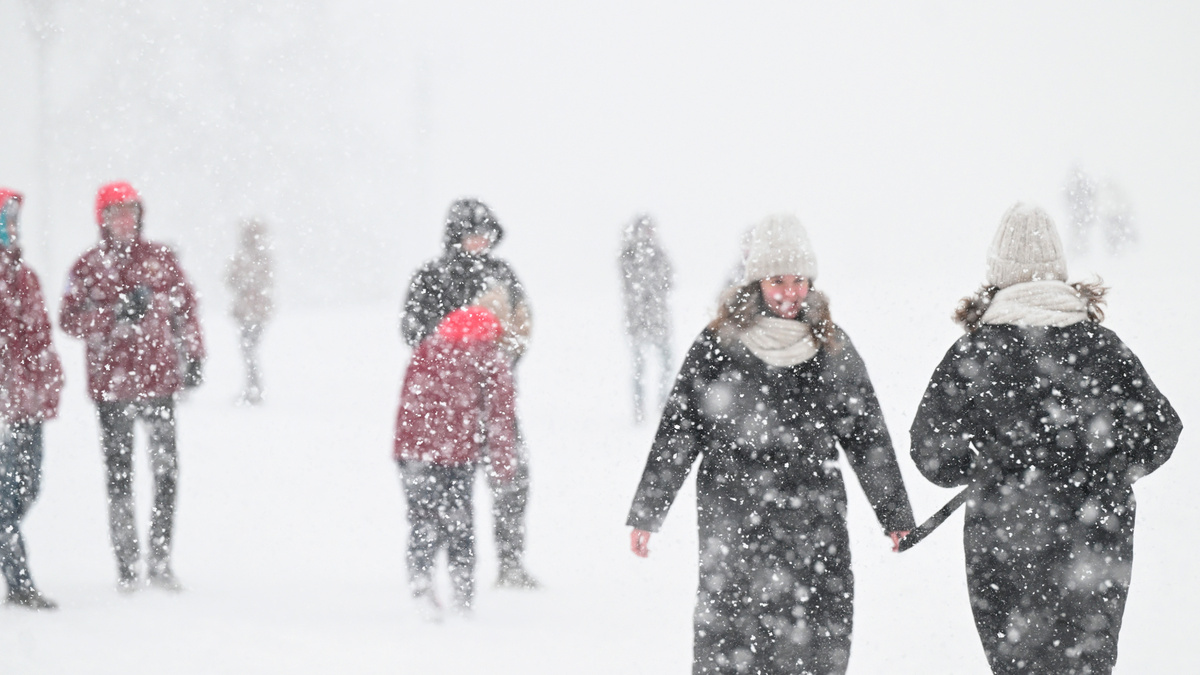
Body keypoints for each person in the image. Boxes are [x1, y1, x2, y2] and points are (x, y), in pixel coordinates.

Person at [626, 214, 916, 675]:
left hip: (813, 516)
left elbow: (867, 435)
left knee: (816, 638)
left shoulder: (831, 346)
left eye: (799, 280)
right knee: (732, 639)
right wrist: (649, 510)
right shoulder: (719, 344)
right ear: (757, 281)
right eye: (777, 280)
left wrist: (895, 514)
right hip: (734, 515)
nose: (789, 292)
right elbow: (681, 427)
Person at [909, 203, 1181, 675]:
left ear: (997, 274)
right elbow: (1161, 428)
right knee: (1086, 662)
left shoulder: (975, 351)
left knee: (1017, 663)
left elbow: (930, 453)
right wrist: (1106, 472)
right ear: (1058, 271)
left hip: (1003, 535)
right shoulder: (1101, 345)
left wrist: (979, 465)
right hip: (1096, 537)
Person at [59, 181, 206, 592]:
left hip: (159, 382)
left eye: (131, 212)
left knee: (167, 472)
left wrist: (194, 354)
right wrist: (112, 314)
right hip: (112, 388)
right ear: (101, 219)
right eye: (116, 213)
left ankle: (160, 560)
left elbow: (186, 308)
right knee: (120, 476)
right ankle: (127, 566)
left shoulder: (161, 260)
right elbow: (69, 320)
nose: (125, 220)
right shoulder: (87, 267)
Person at [400, 197, 538, 588]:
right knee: (442, 489)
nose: (479, 242)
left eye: (485, 235)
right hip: (443, 408)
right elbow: (413, 331)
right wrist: (459, 340)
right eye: (471, 235)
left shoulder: (502, 275)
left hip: (494, 402)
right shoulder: (431, 276)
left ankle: (510, 562)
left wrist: (500, 355)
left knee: (512, 480)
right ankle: (441, 566)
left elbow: (522, 327)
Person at [394, 305, 516, 618]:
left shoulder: (428, 348)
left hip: (413, 452)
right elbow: (499, 416)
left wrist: (410, 448)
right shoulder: (489, 358)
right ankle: (462, 593)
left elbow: (408, 401)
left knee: (422, 519)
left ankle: (421, 584)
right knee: (459, 523)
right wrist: (502, 462)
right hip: (456, 455)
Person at [0, 189, 63, 610]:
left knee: (28, 488)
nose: (10, 227)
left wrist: (48, 384)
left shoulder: (27, 278)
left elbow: (41, 339)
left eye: (12, 220)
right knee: (5, 498)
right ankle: (20, 582)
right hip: (5, 406)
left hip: (28, 405)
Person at [619, 214, 673, 423]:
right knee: (640, 367)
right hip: (639, 320)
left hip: (657, 319)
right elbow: (630, 283)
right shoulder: (629, 254)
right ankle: (640, 407)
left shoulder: (657, 254)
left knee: (665, 364)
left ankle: (661, 403)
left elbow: (669, 279)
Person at [225, 218, 273, 405]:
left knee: (249, 350)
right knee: (248, 350)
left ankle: (254, 388)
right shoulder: (245, 257)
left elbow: (263, 282)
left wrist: (247, 285)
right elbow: (230, 279)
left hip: (255, 313)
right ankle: (253, 387)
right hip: (247, 312)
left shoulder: (260, 258)